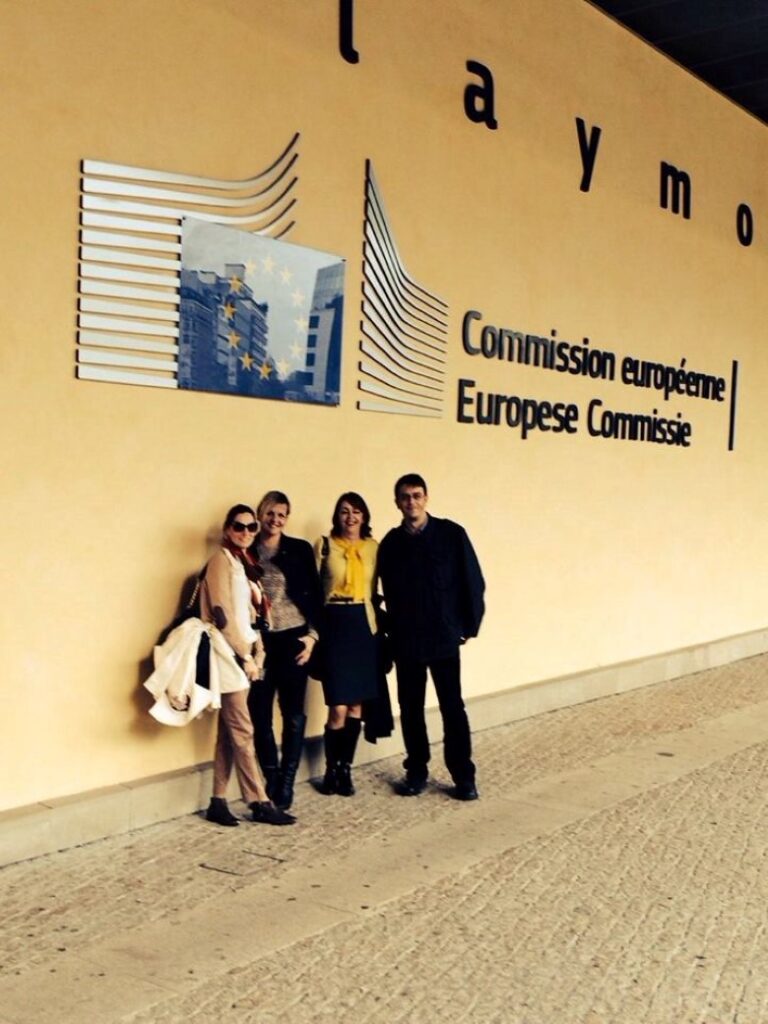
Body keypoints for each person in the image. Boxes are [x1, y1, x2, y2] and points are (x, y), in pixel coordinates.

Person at [377, 474, 485, 801]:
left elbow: (472, 581)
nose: (411, 501)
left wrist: (468, 625)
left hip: (443, 637)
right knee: (410, 709)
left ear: (426, 498)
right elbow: (380, 592)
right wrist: (388, 630)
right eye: (405, 497)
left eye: (416, 495)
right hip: (407, 640)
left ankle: (463, 776)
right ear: (397, 502)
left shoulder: (452, 534)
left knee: (453, 708)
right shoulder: (391, 544)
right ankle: (416, 772)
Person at [200, 504, 295, 826]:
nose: (245, 532)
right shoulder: (220, 561)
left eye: (251, 527)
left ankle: (218, 800)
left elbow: (252, 616)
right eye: (238, 526)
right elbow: (222, 615)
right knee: (243, 729)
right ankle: (259, 801)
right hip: (227, 655)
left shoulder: (244, 563)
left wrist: (258, 651)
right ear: (227, 529)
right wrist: (245, 656)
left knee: (229, 732)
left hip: (243, 655)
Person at [247, 491, 322, 811]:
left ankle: (288, 781)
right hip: (261, 644)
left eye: (281, 514)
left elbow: (316, 596)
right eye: (270, 513)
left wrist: (313, 637)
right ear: (260, 514)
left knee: (292, 714)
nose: (275, 520)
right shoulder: (247, 550)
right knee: (260, 713)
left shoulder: (299, 550)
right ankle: (272, 777)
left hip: (294, 639)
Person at [314, 492, 380, 797]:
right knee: (338, 707)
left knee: (356, 705)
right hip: (335, 624)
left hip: (363, 625)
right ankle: (331, 767)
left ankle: (345, 768)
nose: (350, 517)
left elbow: (378, 587)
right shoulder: (324, 545)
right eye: (344, 511)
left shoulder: (373, 548)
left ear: (364, 516)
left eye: (356, 511)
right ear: (336, 516)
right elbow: (313, 589)